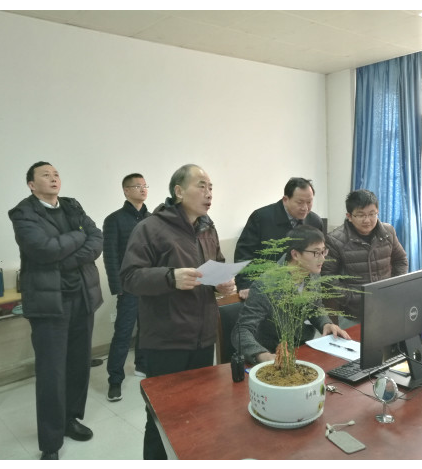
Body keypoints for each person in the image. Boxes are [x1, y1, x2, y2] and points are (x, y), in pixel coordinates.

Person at [120, 164, 235, 460]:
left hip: (203, 336)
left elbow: (218, 263)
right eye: (201, 186)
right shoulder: (151, 228)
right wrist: (170, 277)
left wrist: (223, 282)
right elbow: (129, 278)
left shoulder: (207, 227)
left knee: (199, 411)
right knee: (162, 416)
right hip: (167, 340)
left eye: (211, 187)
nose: (208, 193)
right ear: (179, 191)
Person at [8, 162, 104, 460]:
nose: (53, 178)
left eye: (56, 174)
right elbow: (43, 250)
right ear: (31, 184)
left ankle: (70, 419)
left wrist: (66, 257)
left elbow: (97, 238)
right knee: (51, 372)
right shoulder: (23, 213)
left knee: (78, 365)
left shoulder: (72, 206)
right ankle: (50, 442)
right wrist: (78, 237)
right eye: (45, 175)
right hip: (50, 305)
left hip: (82, 298)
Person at [231, 225, 350, 365]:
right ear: (295, 255)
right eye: (316, 253)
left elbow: (314, 307)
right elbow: (241, 331)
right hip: (272, 356)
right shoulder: (266, 285)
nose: (322, 259)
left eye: (324, 252)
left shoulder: (312, 274)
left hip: (302, 349)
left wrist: (326, 323)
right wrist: (262, 355)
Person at [323, 189, 408, 326]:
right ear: (349, 216)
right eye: (361, 215)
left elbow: (401, 260)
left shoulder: (388, 232)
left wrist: (393, 286)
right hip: (354, 313)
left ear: (377, 212)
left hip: (386, 305)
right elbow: (328, 277)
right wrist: (351, 297)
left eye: (372, 214)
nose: (367, 220)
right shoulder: (335, 240)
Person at [102, 173, 150, 402]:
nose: (143, 189)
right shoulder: (114, 220)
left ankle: (142, 365)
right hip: (128, 285)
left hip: (149, 283)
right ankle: (115, 380)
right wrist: (116, 286)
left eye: (145, 185)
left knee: (147, 329)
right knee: (123, 332)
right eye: (137, 186)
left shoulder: (152, 218)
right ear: (126, 191)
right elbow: (110, 255)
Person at [234, 177, 324, 300]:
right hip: (266, 289)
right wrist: (246, 284)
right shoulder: (261, 218)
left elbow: (319, 256)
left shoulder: (315, 222)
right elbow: (244, 254)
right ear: (285, 200)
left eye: (309, 202)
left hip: (301, 290)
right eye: (300, 202)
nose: (305, 208)